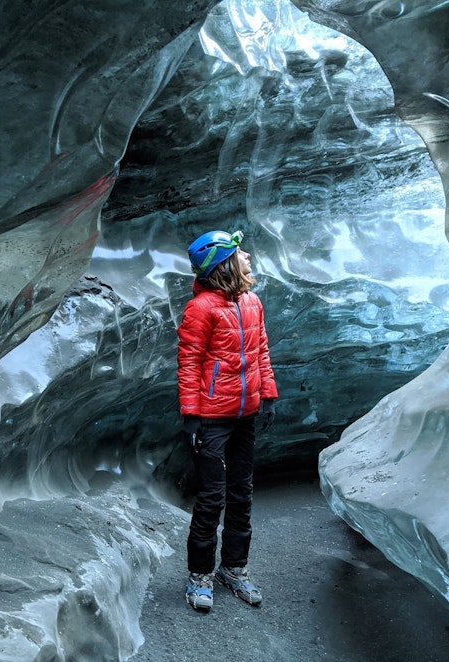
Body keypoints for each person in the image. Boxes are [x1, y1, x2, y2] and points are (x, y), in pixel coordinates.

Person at [176, 229, 278, 612]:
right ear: (223, 263)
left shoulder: (252, 302)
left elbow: (261, 350)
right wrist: (191, 414)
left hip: (245, 414)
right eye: (239, 252)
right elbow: (188, 363)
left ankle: (233, 569)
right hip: (211, 419)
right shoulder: (200, 308)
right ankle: (200, 575)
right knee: (212, 498)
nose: (248, 255)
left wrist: (267, 395)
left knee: (241, 494)